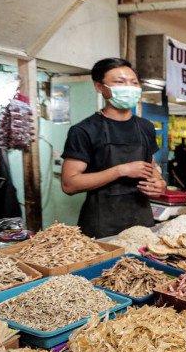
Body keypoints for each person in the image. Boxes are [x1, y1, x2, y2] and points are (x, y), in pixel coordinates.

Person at [61, 58, 165, 238]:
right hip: (101, 226)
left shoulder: (146, 127)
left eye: (134, 83)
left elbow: (152, 168)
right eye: (120, 82)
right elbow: (69, 184)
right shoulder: (84, 130)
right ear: (99, 87)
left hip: (141, 223)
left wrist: (160, 183)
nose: (129, 87)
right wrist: (120, 170)